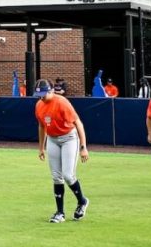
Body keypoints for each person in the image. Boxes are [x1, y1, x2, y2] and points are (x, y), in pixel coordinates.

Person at [34, 78, 90, 223]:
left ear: (51, 91)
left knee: (68, 175)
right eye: (39, 94)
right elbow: (42, 126)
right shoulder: (39, 105)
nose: (41, 97)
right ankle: (60, 213)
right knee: (56, 176)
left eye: (44, 94)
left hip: (69, 138)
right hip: (52, 139)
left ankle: (82, 201)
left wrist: (83, 147)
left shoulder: (62, 102)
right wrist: (41, 147)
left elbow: (78, 123)